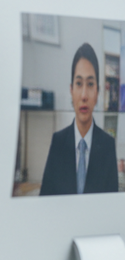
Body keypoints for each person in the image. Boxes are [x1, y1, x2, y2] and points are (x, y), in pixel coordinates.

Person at [39, 42, 119, 195]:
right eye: (78, 83)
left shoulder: (108, 146)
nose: (84, 95)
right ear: (71, 90)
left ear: (97, 92)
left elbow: (109, 207)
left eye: (90, 84)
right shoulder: (58, 142)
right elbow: (45, 201)